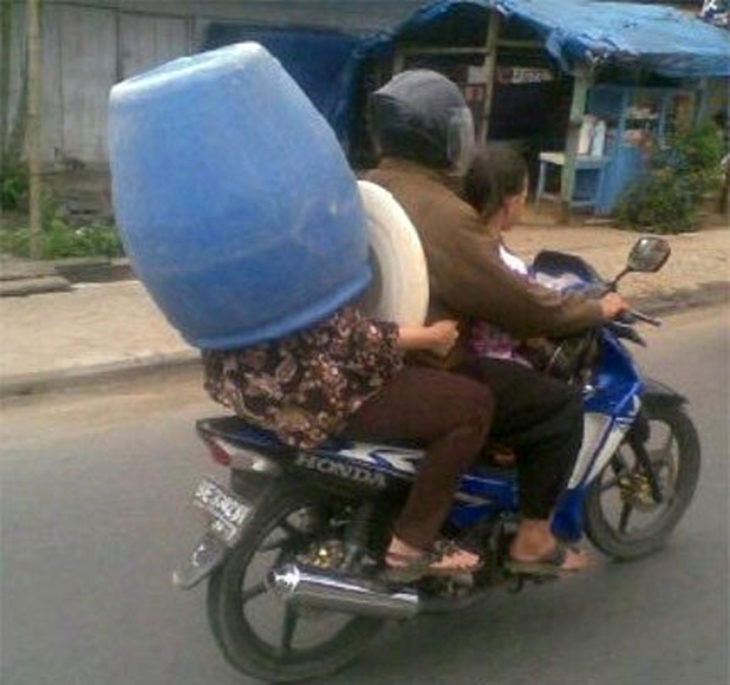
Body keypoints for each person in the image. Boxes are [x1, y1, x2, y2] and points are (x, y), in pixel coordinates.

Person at [366, 70, 629, 574]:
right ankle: (533, 539)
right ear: (442, 136)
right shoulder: (442, 211)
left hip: (383, 347)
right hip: (432, 361)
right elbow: (518, 305)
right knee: (557, 406)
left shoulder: (368, 183)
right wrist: (593, 308)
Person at [203, 306, 493, 579]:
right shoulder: (294, 266)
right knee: (474, 405)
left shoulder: (220, 274)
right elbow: (352, 339)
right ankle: (411, 545)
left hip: (251, 394)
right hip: (320, 400)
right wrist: (432, 337)